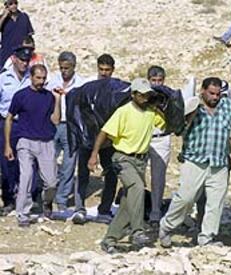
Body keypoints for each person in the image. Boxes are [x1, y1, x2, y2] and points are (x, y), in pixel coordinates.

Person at [159, 77, 231, 247]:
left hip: (219, 163)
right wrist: (189, 116)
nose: (215, 97)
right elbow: (179, 130)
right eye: (211, 94)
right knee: (186, 198)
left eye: (217, 94)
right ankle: (167, 226)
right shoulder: (193, 106)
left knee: (215, 202)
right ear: (203, 91)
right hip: (195, 160)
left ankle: (207, 237)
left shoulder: (227, 105)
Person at [87, 78, 165, 254]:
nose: (145, 97)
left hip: (140, 161)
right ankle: (137, 231)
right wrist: (94, 155)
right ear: (133, 95)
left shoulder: (151, 112)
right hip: (123, 159)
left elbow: (168, 123)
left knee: (128, 204)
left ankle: (110, 240)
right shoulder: (123, 112)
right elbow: (104, 132)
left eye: (148, 94)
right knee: (137, 188)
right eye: (142, 94)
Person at [4, 64, 61, 227]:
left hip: (46, 141)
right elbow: (9, 118)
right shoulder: (20, 96)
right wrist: (8, 145)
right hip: (25, 141)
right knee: (26, 177)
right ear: (31, 77)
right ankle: (23, 213)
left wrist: (58, 100)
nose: (41, 81)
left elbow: (56, 120)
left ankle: (47, 203)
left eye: (44, 78)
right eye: (38, 78)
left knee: (51, 182)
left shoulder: (49, 96)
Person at [74, 53, 117, 224]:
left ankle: (104, 209)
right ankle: (79, 208)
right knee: (83, 173)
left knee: (112, 174)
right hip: (88, 138)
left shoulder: (115, 88)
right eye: (101, 69)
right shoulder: (89, 86)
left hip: (108, 140)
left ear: (112, 70)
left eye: (107, 70)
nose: (104, 73)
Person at [47, 51, 84, 212]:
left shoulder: (80, 84)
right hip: (53, 125)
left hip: (71, 126)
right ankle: (46, 196)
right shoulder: (52, 81)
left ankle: (62, 199)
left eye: (67, 68)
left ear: (73, 67)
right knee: (49, 161)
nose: (64, 71)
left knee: (69, 163)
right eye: (61, 67)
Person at [0, 46, 32, 215]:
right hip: (5, 122)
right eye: (22, 60)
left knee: (25, 162)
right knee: (6, 163)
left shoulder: (31, 78)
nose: (24, 64)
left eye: (27, 61)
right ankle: (8, 200)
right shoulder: (3, 78)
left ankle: (24, 198)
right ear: (14, 59)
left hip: (25, 124)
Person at [146, 65, 171, 228]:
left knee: (158, 177)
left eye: (159, 80)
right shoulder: (142, 94)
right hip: (143, 137)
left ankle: (155, 211)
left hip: (161, 137)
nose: (156, 84)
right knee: (136, 174)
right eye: (153, 80)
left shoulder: (168, 95)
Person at [0, 0, 34, 69]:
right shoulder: (2, 18)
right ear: (6, 5)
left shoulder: (24, 16)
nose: (14, 6)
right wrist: (4, 16)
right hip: (6, 53)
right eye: (11, 4)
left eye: (15, 3)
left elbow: (29, 35)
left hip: (21, 54)